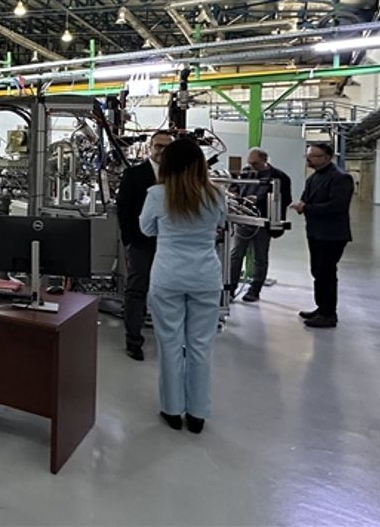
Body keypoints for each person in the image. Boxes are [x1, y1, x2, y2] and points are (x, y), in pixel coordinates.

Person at [140, 138, 227, 434]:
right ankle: (198, 413)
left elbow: (146, 229)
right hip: (205, 276)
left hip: (168, 275)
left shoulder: (157, 195)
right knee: (201, 345)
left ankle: (172, 409)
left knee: (169, 343)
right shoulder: (216, 194)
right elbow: (220, 223)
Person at [116, 130, 174, 361]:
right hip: (142, 243)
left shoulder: (179, 175)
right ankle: (133, 340)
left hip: (171, 243)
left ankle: (169, 339)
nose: (162, 151)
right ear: (150, 147)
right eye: (158, 146)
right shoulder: (134, 174)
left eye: (167, 147)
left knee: (168, 291)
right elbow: (124, 209)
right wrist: (129, 241)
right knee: (137, 289)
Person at [291, 143, 354, 329]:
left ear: (328, 157)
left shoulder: (341, 178)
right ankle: (321, 308)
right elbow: (306, 198)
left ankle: (328, 314)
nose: (309, 159)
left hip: (332, 235)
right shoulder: (313, 177)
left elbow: (337, 206)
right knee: (318, 272)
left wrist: (306, 208)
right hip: (316, 232)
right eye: (308, 156)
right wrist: (301, 205)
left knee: (326, 273)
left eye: (314, 156)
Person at [226, 148, 293, 303]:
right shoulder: (246, 173)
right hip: (244, 219)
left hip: (263, 221)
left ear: (264, 160)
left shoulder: (279, 176)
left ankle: (254, 291)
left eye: (255, 163)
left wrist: (260, 200)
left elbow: (285, 199)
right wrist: (235, 195)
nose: (252, 167)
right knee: (236, 255)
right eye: (250, 163)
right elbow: (236, 188)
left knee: (260, 257)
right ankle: (230, 289)